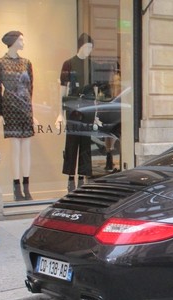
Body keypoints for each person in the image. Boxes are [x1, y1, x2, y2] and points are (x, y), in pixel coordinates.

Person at [0, 30, 35, 201]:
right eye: (21, 39)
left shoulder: (27, 62)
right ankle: (16, 187)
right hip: (9, 106)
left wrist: (31, 109)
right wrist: (0, 112)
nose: (23, 42)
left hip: (25, 106)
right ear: (13, 41)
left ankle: (26, 186)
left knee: (26, 149)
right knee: (15, 148)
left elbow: (31, 86)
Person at [57, 33, 97, 192]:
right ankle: (70, 178)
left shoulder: (91, 65)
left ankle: (82, 177)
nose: (89, 51)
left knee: (85, 144)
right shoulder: (68, 64)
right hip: (73, 108)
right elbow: (62, 89)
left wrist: (96, 113)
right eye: (87, 47)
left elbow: (95, 90)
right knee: (72, 143)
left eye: (91, 48)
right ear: (80, 46)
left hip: (88, 107)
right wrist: (60, 112)